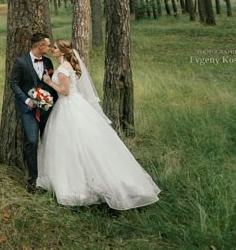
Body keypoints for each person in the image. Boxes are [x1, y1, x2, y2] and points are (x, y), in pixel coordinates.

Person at [36, 39, 160, 210]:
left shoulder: (64, 69)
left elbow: (65, 91)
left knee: (72, 143)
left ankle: (80, 184)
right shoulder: (67, 66)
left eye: (55, 48)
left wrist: (49, 82)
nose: (53, 49)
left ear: (63, 52)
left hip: (68, 106)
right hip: (74, 104)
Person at [9, 32, 57, 193]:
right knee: (31, 140)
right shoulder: (20, 62)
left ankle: (49, 176)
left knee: (48, 141)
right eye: (48, 45)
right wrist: (26, 99)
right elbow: (14, 83)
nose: (50, 48)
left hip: (46, 109)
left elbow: (51, 83)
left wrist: (51, 101)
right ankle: (33, 178)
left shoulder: (48, 62)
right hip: (28, 110)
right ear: (40, 46)